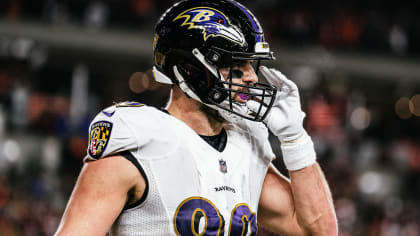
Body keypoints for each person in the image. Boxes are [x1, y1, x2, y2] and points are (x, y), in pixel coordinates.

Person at [55, 0, 338, 235]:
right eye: (235, 65)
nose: (251, 77)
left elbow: (320, 231)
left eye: (251, 64)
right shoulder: (136, 143)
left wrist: (295, 139)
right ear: (188, 69)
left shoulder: (244, 146)